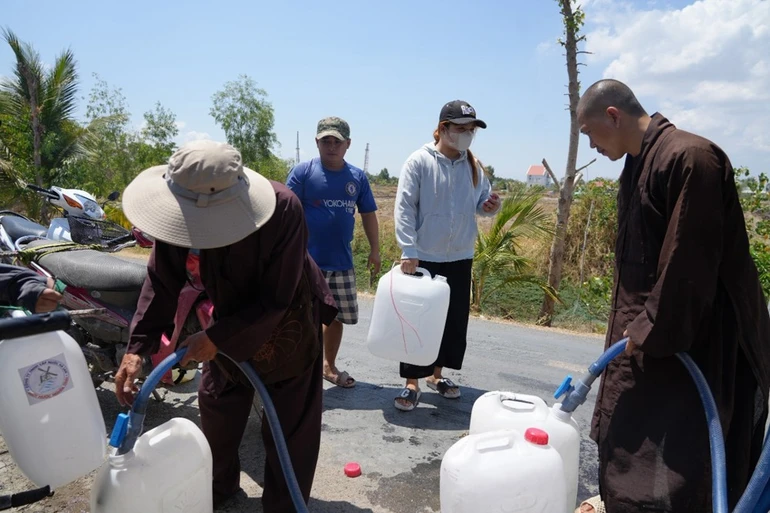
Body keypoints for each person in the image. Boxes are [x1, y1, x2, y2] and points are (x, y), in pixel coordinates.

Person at [574, 79, 770, 513]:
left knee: (684, 463)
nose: (590, 145)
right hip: (650, 336)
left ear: (613, 116)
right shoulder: (638, 164)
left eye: (588, 132)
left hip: (694, 344)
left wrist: (648, 329)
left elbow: (688, 266)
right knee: (630, 444)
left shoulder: (690, 158)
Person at [113, 140, 337, 512]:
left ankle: (283, 506)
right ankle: (216, 488)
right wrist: (137, 348)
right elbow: (162, 280)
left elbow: (277, 297)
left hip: (288, 314)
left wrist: (217, 338)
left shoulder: (284, 209)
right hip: (228, 312)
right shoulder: (179, 205)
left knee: (289, 422)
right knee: (218, 404)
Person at [392, 100, 501, 411]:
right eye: (461, 128)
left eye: (471, 130)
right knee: (419, 322)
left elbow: (482, 203)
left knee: (451, 322)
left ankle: (436, 375)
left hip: (460, 255)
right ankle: (412, 382)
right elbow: (404, 208)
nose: (467, 134)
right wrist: (409, 250)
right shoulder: (419, 161)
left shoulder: (474, 166)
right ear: (443, 128)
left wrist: (490, 206)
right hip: (424, 255)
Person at [286, 116, 380, 389]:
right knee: (299, 317)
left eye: (337, 141)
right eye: (326, 141)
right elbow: (284, 210)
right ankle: (296, 370)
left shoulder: (357, 177)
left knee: (336, 317)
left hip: (341, 262)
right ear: (316, 142)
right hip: (305, 262)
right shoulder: (303, 173)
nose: (331, 146)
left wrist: (375, 250)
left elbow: (368, 214)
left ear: (348, 144)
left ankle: (328, 366)